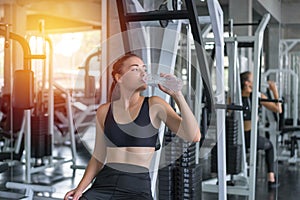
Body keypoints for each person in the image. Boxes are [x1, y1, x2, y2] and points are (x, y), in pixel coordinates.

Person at [64, 53, 201, 200]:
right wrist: (80, 189)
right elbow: (98, 158)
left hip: (137, 189)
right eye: (135, 69)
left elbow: (193, 136)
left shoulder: (155, 105)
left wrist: (177, 95)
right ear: (119, 78)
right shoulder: (104, 111)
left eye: (144, 69)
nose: (143, 73)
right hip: (104, 185)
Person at [240, 71, 282, 189]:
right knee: (270, 146)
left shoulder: (233, 96)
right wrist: (274, 90)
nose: (255, 82)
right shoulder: (256, 96)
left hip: (235, 138)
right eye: (253, 79)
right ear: (247, 83)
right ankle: (271, 179)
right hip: (249, 138)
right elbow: (278, 109)